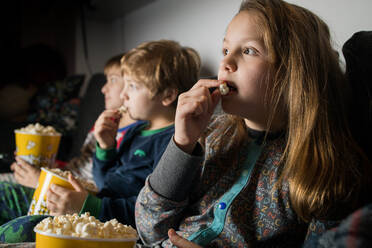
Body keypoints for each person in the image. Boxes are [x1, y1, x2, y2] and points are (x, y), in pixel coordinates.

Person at [135, 0, 372, 247]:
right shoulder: (208, 136)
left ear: (295, 72)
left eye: (249, 51)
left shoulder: (327, 168)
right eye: (225, 50)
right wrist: (182, 144)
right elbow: (149, 228)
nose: (225, 64)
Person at [0, 39, 201, 243]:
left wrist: (89, 206)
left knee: (22, 227)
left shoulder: (174, 144)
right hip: (89, 209)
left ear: (167, 95)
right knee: (5, 193)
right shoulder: (136, 131)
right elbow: (104, 181)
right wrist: (105, 147)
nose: (123, 95)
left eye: (132, 86)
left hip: (108, 223)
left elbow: (151, 213)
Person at [0, 53, 136, 224]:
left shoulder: (132, 136)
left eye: (113, 80)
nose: (103, 88)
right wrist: (50, 166)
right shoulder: (104, 121)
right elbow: (79, 165)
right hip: (60, 180)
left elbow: (100, 186)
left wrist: (41, 181)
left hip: (67, 196)